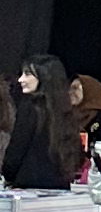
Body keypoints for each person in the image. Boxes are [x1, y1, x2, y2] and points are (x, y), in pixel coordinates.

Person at [5, 53, 85, 189]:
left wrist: (8, 174)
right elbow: (75, 152)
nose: (20, 79)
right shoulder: (66, 109)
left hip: (27, 187)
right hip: (60, 187)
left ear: (44, 76)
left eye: (27, 74)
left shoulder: (30, 107)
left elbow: (17, 148)